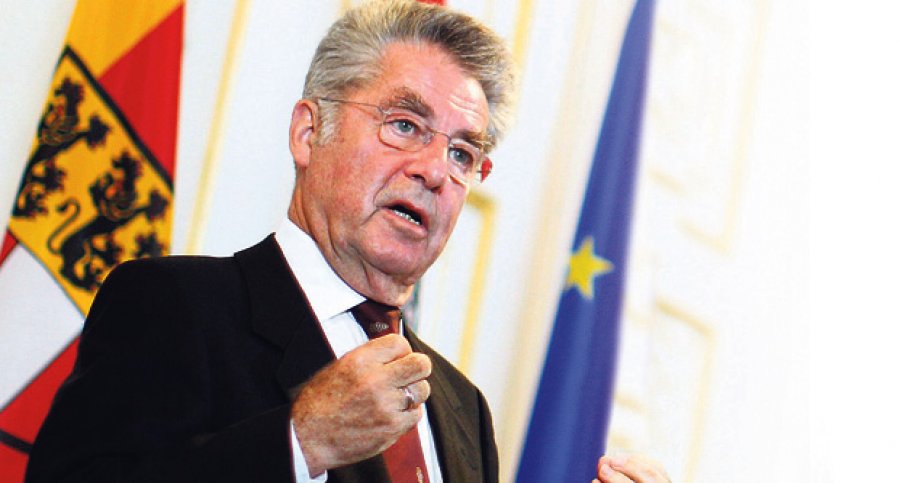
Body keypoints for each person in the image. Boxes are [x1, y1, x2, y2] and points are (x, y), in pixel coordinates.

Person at [26, 1, 668, 482]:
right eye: (405, 124)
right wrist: (298, 442)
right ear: (309, 133)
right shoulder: (174, 306)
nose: (434, 171)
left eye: (463, 153)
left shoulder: (461, 407)